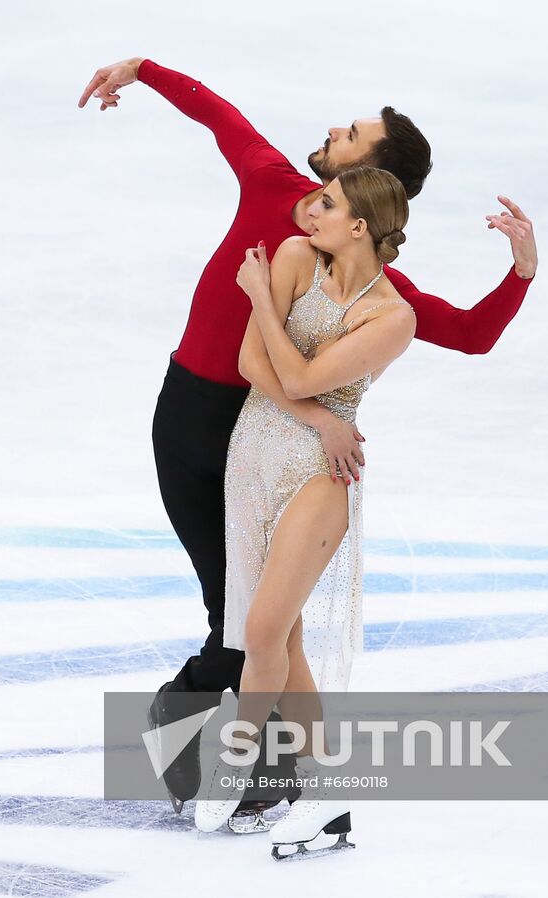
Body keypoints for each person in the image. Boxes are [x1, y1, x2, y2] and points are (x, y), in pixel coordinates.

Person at [76, 57, 538, 819]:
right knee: (244, 614)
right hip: (192, 420)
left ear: (372, 176)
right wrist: (143, 69)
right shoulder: (277, 191)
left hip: (265, 438)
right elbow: (224, 118)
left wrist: (520, 272)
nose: (332, 131)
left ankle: (237, 758)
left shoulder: (368, 279)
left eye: (352, 133)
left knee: (256, 619)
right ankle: (232, 754)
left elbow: (465, 332)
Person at [192, 168, 413, 852]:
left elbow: (297, 374)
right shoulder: (295, 257)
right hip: (253, 455)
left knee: (260, 633)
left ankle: (231, 770)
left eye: (328, 203)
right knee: (281, 640)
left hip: (322, 474)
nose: (309, 209)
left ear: (359, 228)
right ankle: (326, 793)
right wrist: (322, 419)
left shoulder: (391, 318)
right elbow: (253, 366)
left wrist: (260, 298)